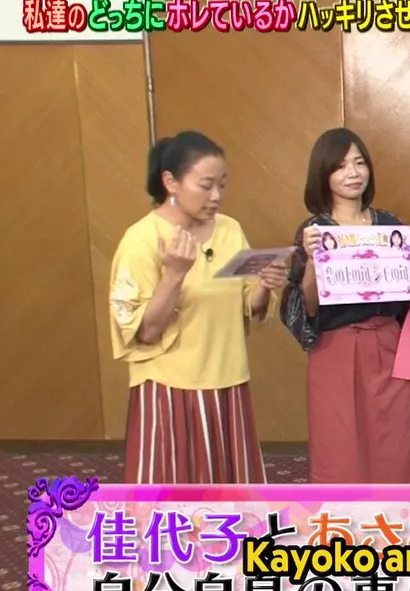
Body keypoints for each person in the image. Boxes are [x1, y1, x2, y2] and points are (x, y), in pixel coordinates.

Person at [108, 131, 287, 484]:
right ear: (170, 182)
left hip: (228, 381)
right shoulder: (141, 240)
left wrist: (265, 287)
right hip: (169, 388)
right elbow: (145, 332)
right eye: (205, 185)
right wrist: (174, 274)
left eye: (222, 184)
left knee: (229, 491)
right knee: (174, 491)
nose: (216, 195)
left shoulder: (230, 230)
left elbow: (247, 307)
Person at [281, 127, 410, 484]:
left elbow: (406, 288)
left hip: (387, 345)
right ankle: (341, 519)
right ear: (323, 174)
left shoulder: (390, 225)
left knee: (395, 440)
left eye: (359, 162)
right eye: (340, 166)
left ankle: (399, 515)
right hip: (335, 349)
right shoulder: (314, 231)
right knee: (338, 446)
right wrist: (312, 261)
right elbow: (306, 307)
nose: (353, 173)